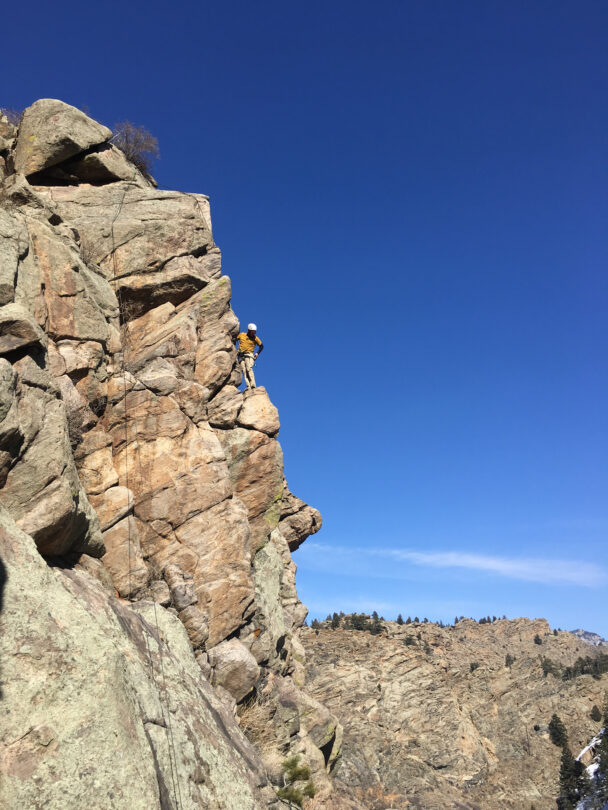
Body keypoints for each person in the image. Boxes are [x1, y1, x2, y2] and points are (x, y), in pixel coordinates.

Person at [235, 323, 264, 390]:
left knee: (249, 368)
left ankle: (253, 385)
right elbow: (235, 338)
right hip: (241, 355)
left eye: (254, 332)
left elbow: (261, 346)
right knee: (244, 371)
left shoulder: (255, 338)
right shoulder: (242, 335)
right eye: (252, 332)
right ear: (249, 330)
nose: (253, 334)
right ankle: (248, 386)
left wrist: (257, 353)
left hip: (249, 355)